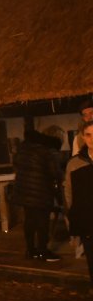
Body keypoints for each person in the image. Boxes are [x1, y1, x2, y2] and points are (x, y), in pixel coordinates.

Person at [12, 129, 63, 261]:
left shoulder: (23, 149)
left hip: (24, 191)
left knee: (29, 221)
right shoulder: (48, 151)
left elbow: (16, 165)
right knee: (42, 222)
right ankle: (43, 251)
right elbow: (55, 173)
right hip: (41, 192)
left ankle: (30, 250)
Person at [64, 120, 93, 286]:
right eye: (88, 135)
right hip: (88, 222)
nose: (92, 139)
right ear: (83, 137)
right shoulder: (74, 164)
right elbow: (68, 193)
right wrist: (72, 219)